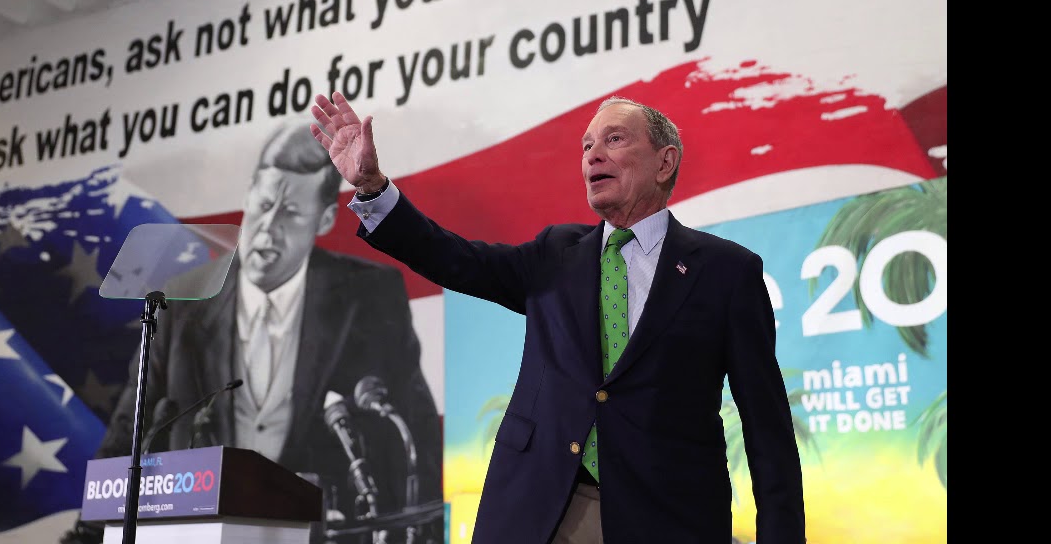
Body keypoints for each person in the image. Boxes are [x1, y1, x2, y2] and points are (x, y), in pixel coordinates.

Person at [309, 92, 806, 544]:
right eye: (587, 145)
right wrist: (372, 187)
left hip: (666, 516)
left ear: (664, 161)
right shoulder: (556, 252)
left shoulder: (725, 272)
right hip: (542, 509)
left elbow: (768, 430)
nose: (593, 155)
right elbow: (453, 258)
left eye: (614, 139)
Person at [61, 120, 443, 544]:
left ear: (324, 219)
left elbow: (417, 434)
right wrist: (88, 535)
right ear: (248, 195)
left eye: (291, 212)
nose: (268, 226)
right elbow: (125, 438)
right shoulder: (182, 301)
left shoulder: (370, 296)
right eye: (263, 205)